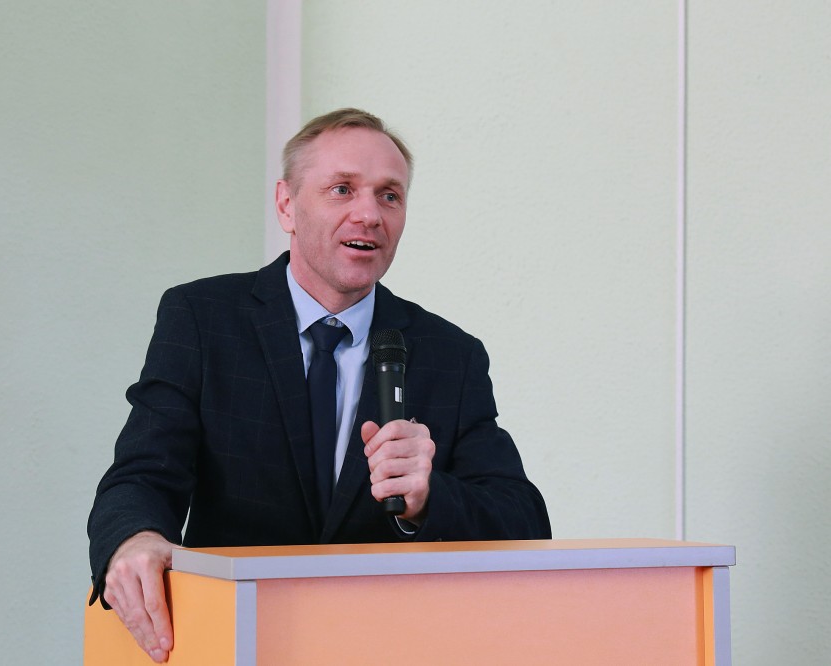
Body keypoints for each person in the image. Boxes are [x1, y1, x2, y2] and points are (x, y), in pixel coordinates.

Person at [88, 108, 551, 663]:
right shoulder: (202, 318)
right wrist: (135, 538)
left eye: (389, 196)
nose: (369, 214)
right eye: (342, 189)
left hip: (389, 648)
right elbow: (143, 473)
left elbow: (524, 520)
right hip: (237, 640)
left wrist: (429, 497)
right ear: (286, 204)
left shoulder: (451, 354)